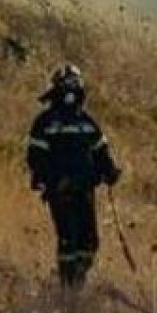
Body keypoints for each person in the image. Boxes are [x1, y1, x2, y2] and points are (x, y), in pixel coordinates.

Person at [25, 63, 121, 289]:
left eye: (74, 87)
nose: (70, 93)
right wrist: (48, 179)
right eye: (65, 87)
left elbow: (101, 151)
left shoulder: (87, 123)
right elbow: (35, 156)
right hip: (60, 191)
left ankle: (78, 278)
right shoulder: (45, 122)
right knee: (68, 239)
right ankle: (67, 286)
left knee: (90, 242)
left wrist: (109, 171)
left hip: (85, 189)